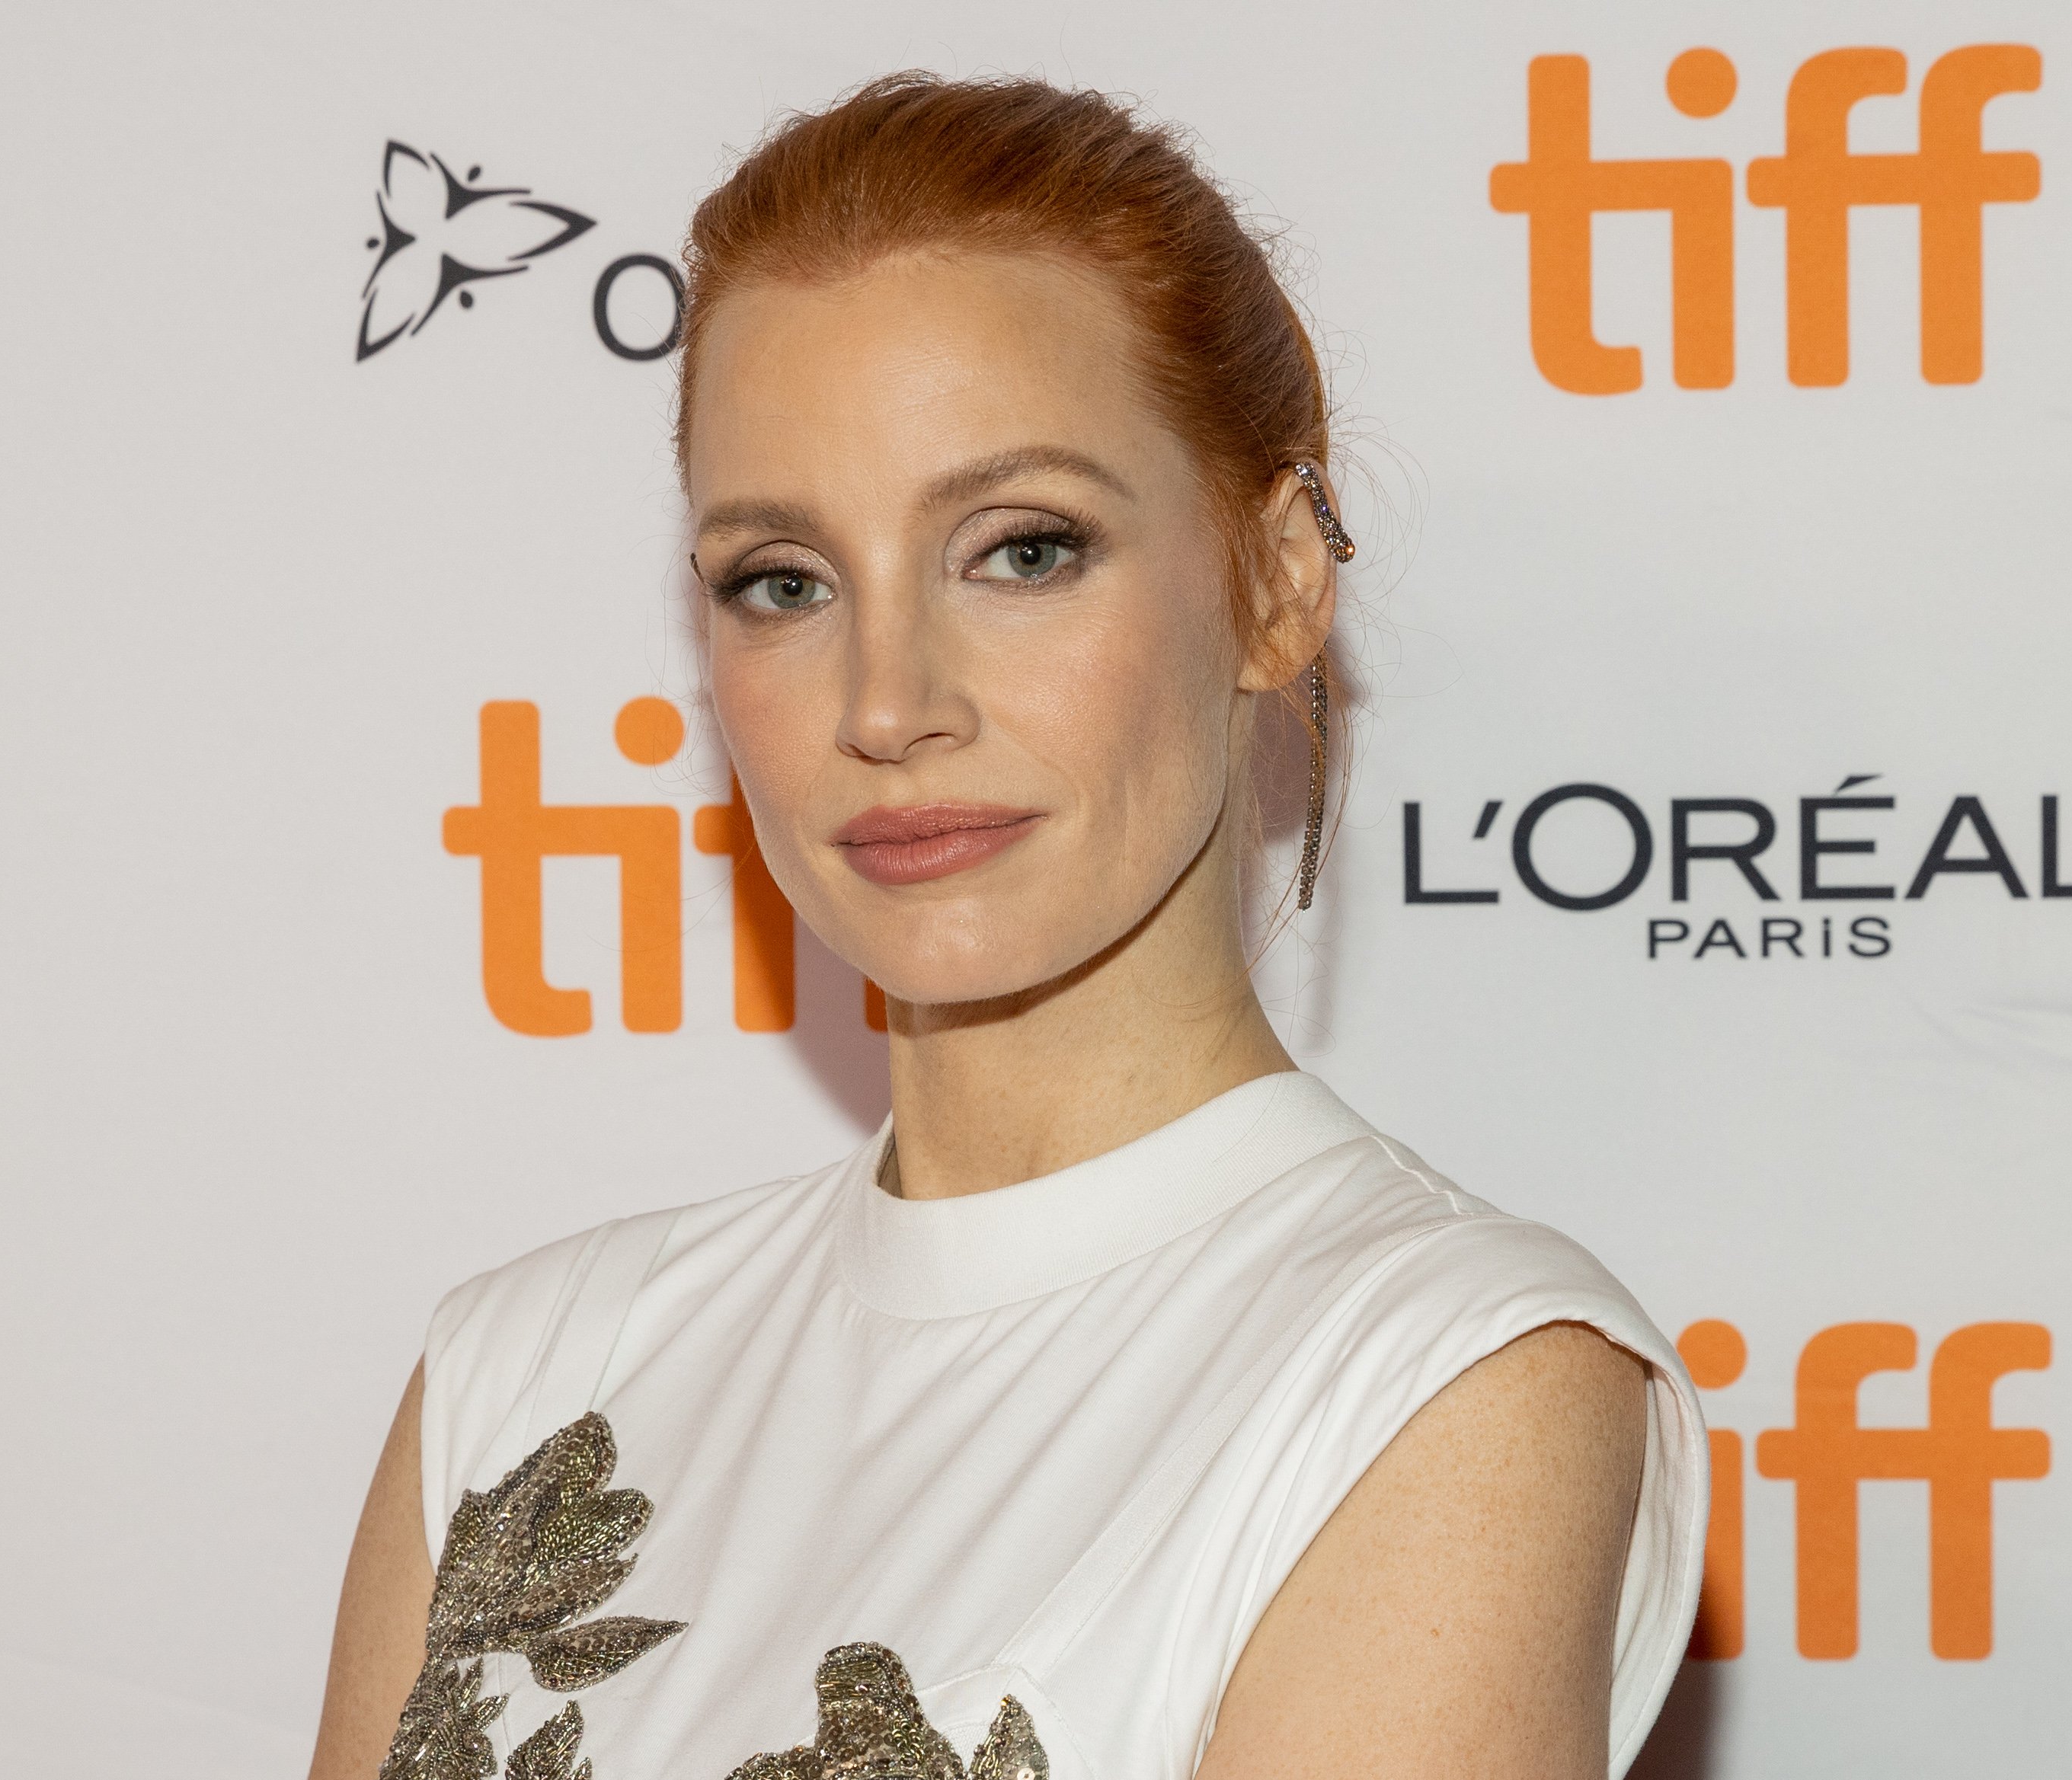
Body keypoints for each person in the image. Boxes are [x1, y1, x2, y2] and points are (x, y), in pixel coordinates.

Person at [310, 73, 1706, 1780]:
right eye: (783, 580)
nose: (886, 702)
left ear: (1275, 583)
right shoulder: (521, 1368)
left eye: (1023, 549)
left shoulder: (1446, 1381)